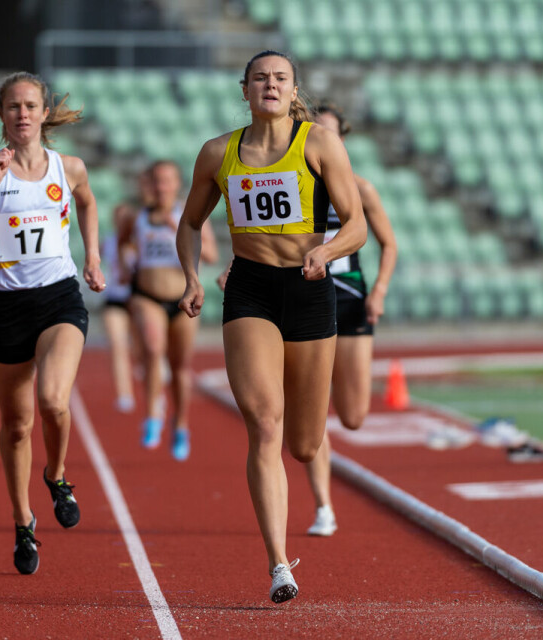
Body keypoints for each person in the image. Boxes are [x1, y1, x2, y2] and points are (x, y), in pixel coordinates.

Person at [176, 51, 366, 603]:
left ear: (293, 89)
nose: (270, 85)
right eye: (260, 78)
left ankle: (307, 483)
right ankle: (279, 563)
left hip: (309, 291)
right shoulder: (219, 153)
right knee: (264, 423)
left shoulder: (319, 143)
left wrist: (326, 251)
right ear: (245, 90)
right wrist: (192, 277)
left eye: (280, 78)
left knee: (305, 445)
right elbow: (189, 224)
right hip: (251, 289)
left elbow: (356, 226)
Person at [0, 71, 105, 576]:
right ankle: (23, 521)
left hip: (59, 297)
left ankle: (57, 475)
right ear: (1, 115)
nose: (22, 114)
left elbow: (87, 201)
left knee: (53, 401)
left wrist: (94, 257)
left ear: (44, 114)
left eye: (30, 105)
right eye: (13, 106)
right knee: (17, 425)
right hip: (8, 306)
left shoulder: (71, 167)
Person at [303, 104, 398, 536]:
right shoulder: (293, 183)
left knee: (354, 416)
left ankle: (338, 381)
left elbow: (389, 245)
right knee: (312, 412)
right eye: (314, 131)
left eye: (330, 133)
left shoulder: (360, 188)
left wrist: (378, 291)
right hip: (305, 301)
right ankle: (324, 506)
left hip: (352, 300)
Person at [122, 159, 217, 460]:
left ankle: (181, 424)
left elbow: (212, 255)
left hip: (182, 299)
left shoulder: (188, 216)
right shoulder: (137, 216)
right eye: (157, 181)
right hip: (147, 295)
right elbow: (124, 244)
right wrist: (126, 262)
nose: (162, 186)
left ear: (177, 184)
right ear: (150, 185)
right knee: (152, 348)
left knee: (180, 366)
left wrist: (178, 230)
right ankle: (153, 415)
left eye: (167, 180)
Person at [101, 201, 139, 413]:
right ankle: (124, 394)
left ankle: (156, 393)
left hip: (138, 300)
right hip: (114, 299)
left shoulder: (140, 241)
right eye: (119, 218)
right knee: (118, 346)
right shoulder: (107, 242)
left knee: (145, 350)